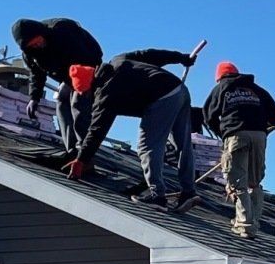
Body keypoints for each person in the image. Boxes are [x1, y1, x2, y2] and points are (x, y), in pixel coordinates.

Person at [65, 48, 203, 209]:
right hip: (179, 90)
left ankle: (157, 196)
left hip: (162, 98)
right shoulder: (119, 60)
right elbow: (151, 55)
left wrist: (81, 160)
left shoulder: (105, 93)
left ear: (90, 86)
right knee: (182, 144)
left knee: (147, 146)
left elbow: (97, 130)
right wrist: (180, 58)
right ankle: (189, 192)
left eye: (86, 93)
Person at [202, 61, 275, 238]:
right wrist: (262, 127)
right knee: (254, 182)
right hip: (258, 136)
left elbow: (208, 115)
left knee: (237, 181)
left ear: (219, 77)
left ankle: (245, 225)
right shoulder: (257, 90)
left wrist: (222, 133)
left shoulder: (221, 88)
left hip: (236, 135)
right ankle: (253, 222)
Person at [11, 17, 103, 151]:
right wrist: (34, 98)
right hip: (67, 76)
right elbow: (36, 75)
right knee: (61, 100)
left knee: (77, 102)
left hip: (87, 68)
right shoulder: (31, 54)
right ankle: (71, 148)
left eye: (37, 40)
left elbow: (84, 56)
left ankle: (84, 149)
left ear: (41, 33)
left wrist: (80, 84)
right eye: (32, 45)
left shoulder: (62, 31)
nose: (36, 45)